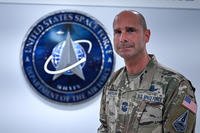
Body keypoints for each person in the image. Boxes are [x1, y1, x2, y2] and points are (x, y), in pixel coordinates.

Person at [97, 10, 197, 133]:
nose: (123, 38)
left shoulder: (176, 85)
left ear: (146, 35)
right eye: (118, 32)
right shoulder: (112, 82)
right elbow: (104, 128)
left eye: (130, 30)